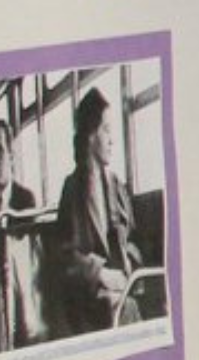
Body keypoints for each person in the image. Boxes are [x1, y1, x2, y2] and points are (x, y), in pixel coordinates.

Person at [46, 89, 137, 341]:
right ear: (90, 136)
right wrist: (100, 274)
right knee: (121, 309)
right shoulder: (73, 188)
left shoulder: (117, 186)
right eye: (106, 130)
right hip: (86, 296)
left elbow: (131, 238)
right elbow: (65, 255)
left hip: (123, 284)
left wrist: (128, 266)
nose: (112, 140)